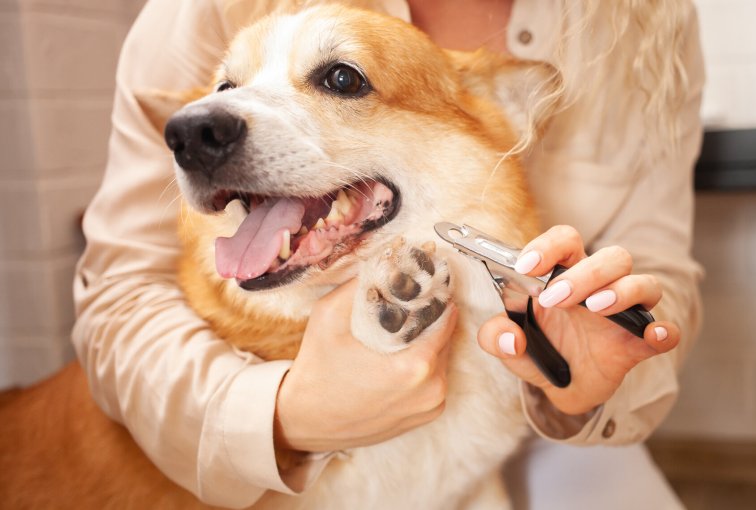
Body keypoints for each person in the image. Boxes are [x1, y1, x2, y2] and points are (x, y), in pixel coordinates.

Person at [72, 0, 703, 507]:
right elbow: (117, 298)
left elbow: (659, 267)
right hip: (233, 419)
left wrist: (595, 378)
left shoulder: (648, 22)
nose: (206, 121)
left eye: (339, 78)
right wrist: (287, 414)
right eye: (228, 85)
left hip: (538, 416)